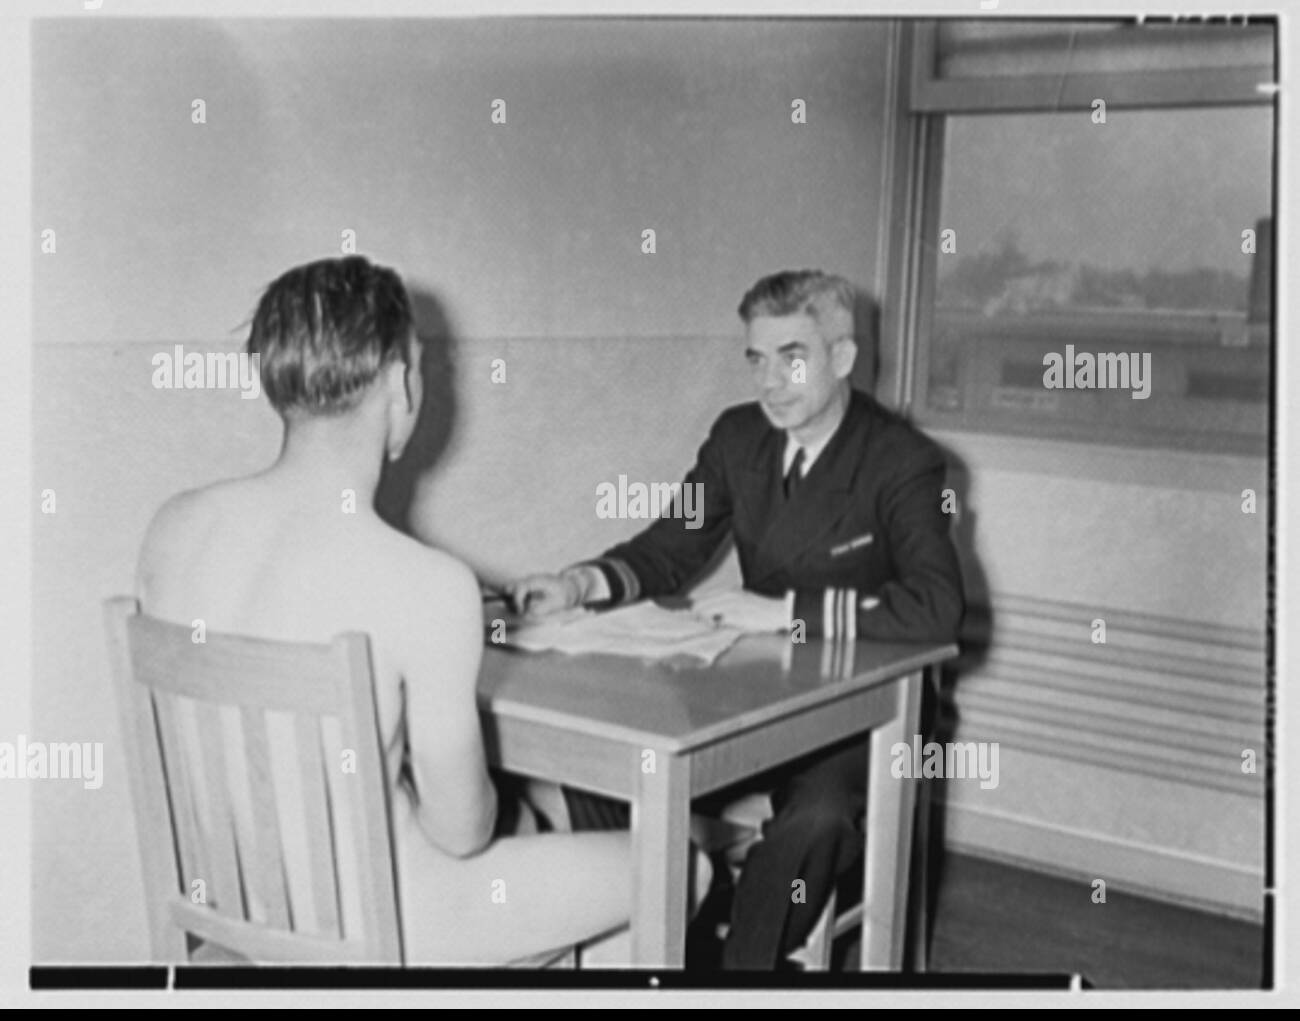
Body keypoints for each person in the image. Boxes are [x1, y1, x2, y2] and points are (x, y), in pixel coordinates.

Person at [135, 256, 629, 964]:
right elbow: (460, 831)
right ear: (400, 384)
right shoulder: (427, 584)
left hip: (233, 915)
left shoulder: (173, 527)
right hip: (390, 928)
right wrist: (517, 810)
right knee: (677, 866)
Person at [509, 269, 965, 970]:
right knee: (609, 749)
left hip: (859, 707)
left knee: (816, 821)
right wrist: (581, 582)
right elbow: (674, 542)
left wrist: (786, 613)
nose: (771, 381)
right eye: (757, 358)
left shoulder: (901, 459)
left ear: (842, 358)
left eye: (793, 357)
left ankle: (740, 972)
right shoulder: (738, 438)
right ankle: (666, 929)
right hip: (757, 685)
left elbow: (937, 609)